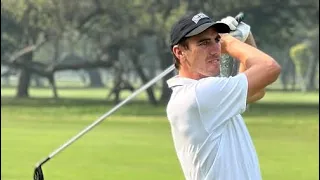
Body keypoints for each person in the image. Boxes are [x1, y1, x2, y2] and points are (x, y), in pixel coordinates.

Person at [166, 12, 281, 180]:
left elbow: (257, 91)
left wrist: (246, 36)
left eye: (217, 40)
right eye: (204, 43)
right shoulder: (199, 95)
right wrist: (230, 42)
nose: (215, 50)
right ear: (179, 52)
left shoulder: (205, 95)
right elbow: (269, 68)